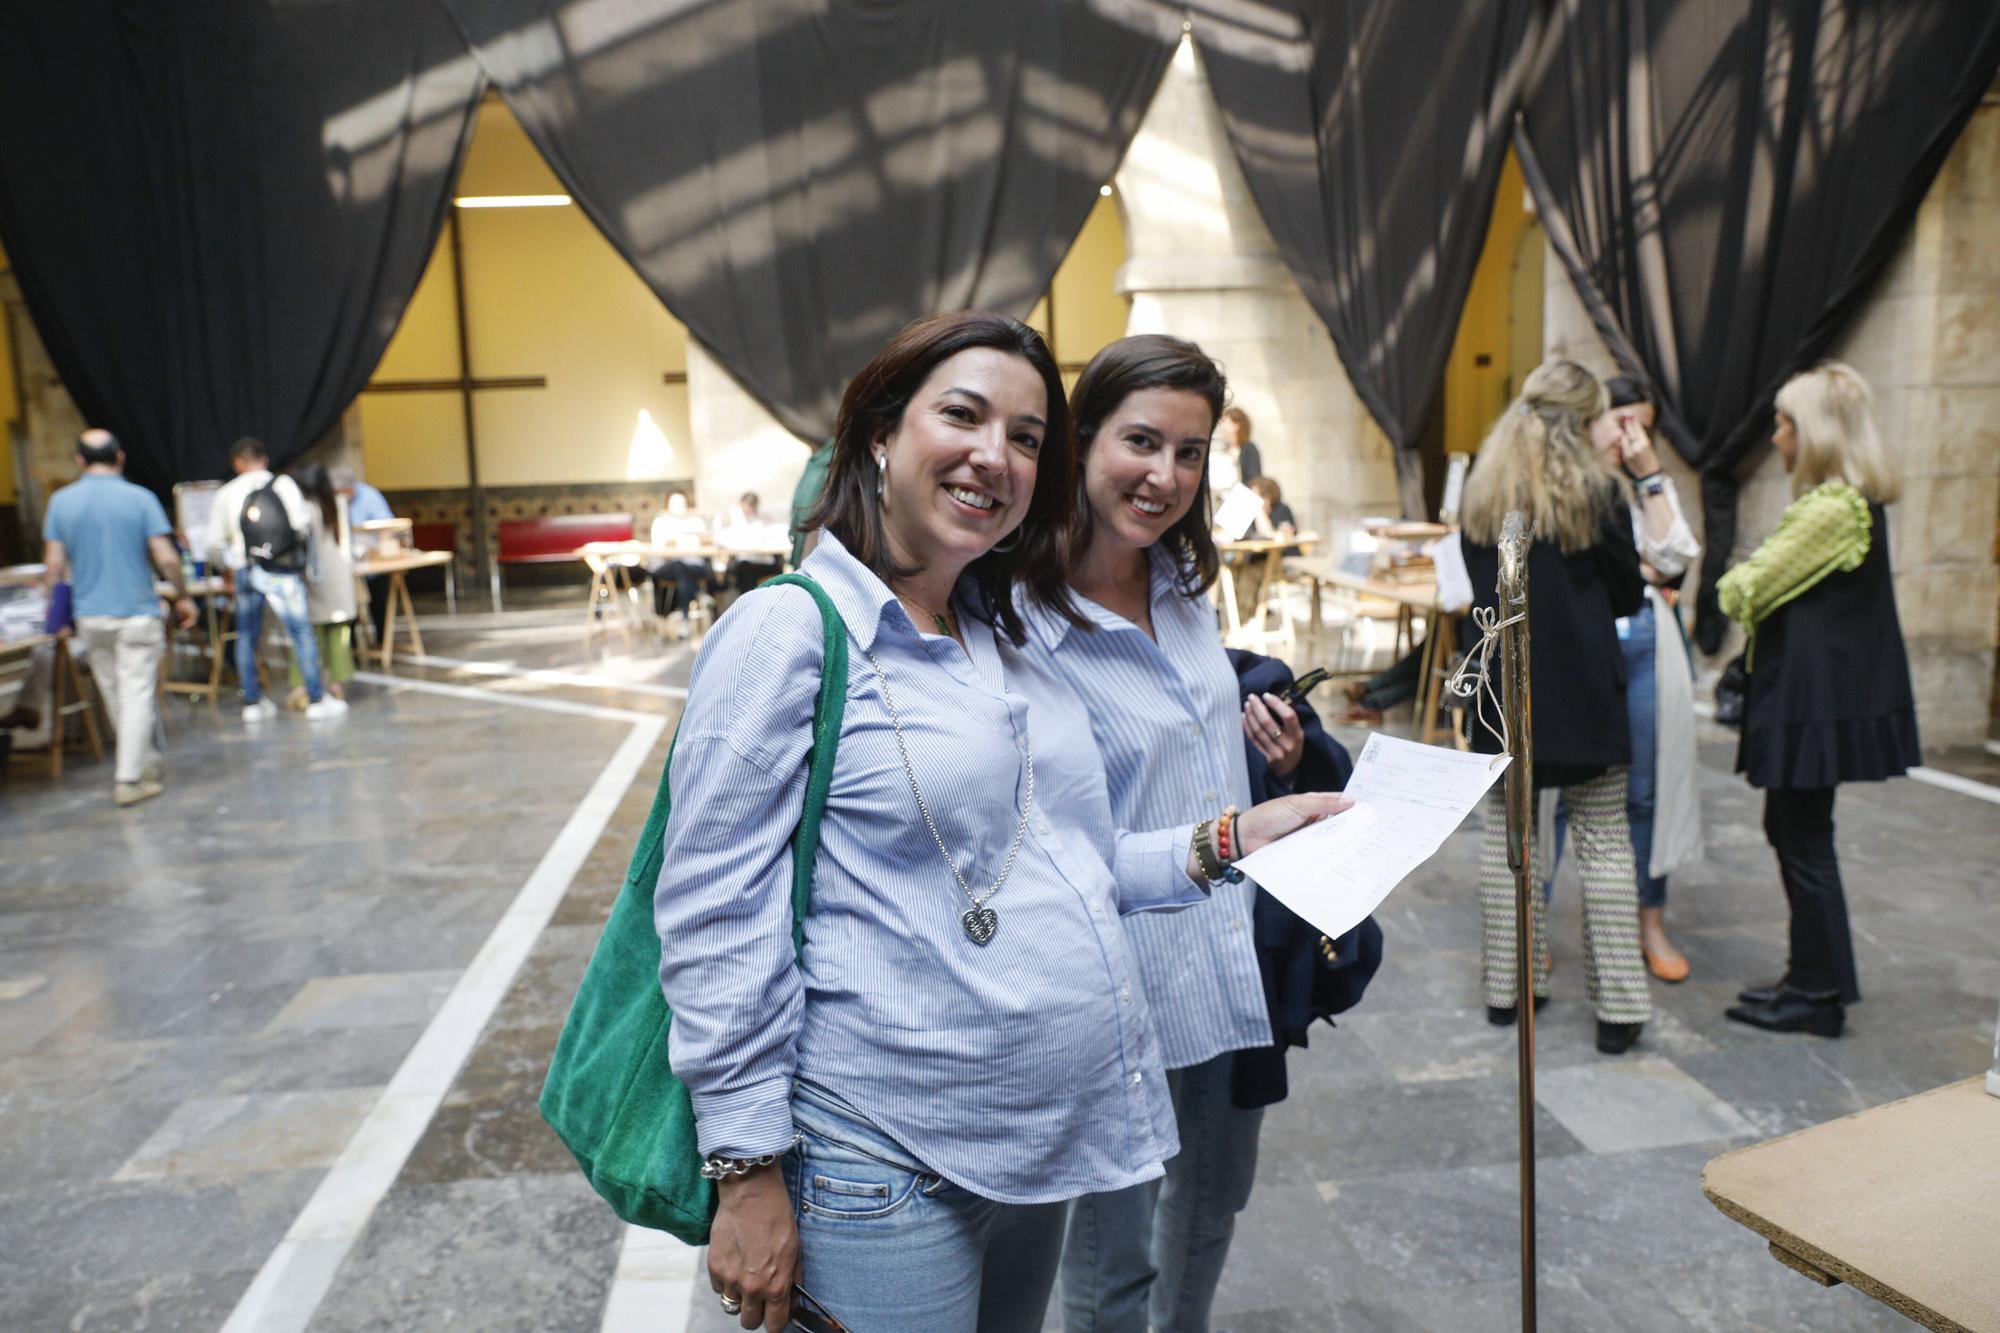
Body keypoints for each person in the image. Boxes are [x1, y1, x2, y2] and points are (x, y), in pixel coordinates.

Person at [654, 312, 1349, 1333]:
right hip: (880, 1156)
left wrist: (1228, 840)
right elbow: (715, 919)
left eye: (1025, 437)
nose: (995, 455)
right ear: (881, 433)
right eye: (963, 416)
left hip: (1030, 1150)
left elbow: (1069, 861)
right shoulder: (791, 631)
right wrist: (745, 1170)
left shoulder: (997, 628)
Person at [1020, 335, 1299, 1333]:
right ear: (1081, 439)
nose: (1165, 475)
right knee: (1114, 1260)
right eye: (1141, 441)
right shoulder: (1021, 623)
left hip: (1228, 963)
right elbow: (1044, 842)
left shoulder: (1181, 583)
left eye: (1190, 451)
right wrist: (1224, 829)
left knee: (1210, 1215)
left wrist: (1261, 748)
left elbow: (1178, 749)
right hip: (1120, 987)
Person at [1717, 362, 1918, 1038]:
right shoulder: (1840, 501)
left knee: (1803, 840)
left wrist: (1740, 578)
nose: (1776, 437)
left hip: (1814, 704)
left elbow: (1745, 587)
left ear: (1819, 433)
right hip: (1813, 700)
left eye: (1786, 424)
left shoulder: (1835, 508)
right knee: (1796, 833)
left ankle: (1818, 989)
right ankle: (1813, 977)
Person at [1458, 361, 1652, 1055]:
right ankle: (1619, 1009)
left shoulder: (1482, 490)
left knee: (1508, 840)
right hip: (1585, 694)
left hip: (1504, 692)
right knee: (1602, 840)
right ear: (1580, 422)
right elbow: (1629, 595)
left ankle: (1509, 989)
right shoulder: (1598, 494)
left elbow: (1479, 587)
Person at [1543, 375, 1705, 982]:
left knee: (1645, 791)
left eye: (1641, 424)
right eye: (1620, 420)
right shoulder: (1565, 483)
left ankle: (1649, 922)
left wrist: (1649, 474)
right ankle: (1531, 924)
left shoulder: (1643, 486)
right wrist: (1635, 568)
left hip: (1644, 644)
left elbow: (1673, 557)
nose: (1629, 436)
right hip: (1580, 650)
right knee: (1557, 793)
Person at [37, 429, 197, 806]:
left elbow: (54, 565)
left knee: (113, 694)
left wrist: (52, 611)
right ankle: (128, 778)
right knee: (137, 693)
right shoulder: (140, 499)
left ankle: (146, 761)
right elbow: (168, 557)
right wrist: (183, 596)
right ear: (120, 457)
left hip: (90, 615)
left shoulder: (61, 502)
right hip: (136, 612)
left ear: (79, 460)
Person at [205, 437, 343, 721]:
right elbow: (301, 525)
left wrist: (229, 567)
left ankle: (253, 704)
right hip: (282, 569)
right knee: (300, 633)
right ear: (264, 459)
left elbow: (213, 545)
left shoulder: (226, 493)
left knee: (247, 636)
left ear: (237, 463)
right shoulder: (283, 485)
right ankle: (316, 699)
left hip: (245, 568)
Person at [286, 463, 360, 706]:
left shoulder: (304, 509)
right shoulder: (338, 504)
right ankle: (336, 685)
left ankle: (302, 687)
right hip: (339, 579)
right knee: (339, 634)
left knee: (308, 635)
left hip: (314, 580)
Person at [332, 466, 393, 646]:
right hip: (346, 567)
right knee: (348, 609)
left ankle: (383, 642)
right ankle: (352, 651)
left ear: (351, 488)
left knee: (380, 602)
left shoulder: (369, 496)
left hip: (372, 563)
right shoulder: (332, 500)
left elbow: (387, 527)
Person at [643, 491, 712, 633]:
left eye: (681, 503)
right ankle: (697, 595)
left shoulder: (695, 521)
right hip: (669, 566)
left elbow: (706, 543)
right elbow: (659, 549)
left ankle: (685, 620)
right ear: (667, 505)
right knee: (680, 567)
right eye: (674, 503)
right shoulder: (661, 522)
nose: (678, 506)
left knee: (685, 570)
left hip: (694, 566)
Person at [719, 491, 785, 596]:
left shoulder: (764, 520)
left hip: (762, 560)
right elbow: (723, 539)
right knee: (743, 569)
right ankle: (747, 599)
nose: (747, 510)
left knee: (746, 570)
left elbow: (773, 538)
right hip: (744, 561)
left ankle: (749, 599)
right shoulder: (735, 518)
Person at [1208, 405, 1262, 493]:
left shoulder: (1249, 449)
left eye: (1224, 422)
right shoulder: (1222, 450)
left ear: (1236, 425)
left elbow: (1254, 479)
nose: (1220, 426)